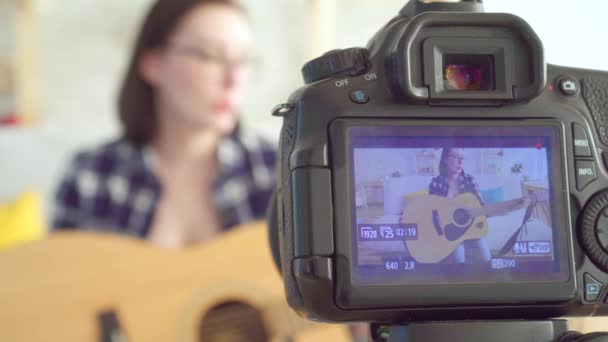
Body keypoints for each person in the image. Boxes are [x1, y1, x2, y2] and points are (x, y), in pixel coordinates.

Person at [52, 0, 276, 248]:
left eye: (242, 61)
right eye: (208, 56)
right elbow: (61, 279)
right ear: (153, 64)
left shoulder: (276, 170)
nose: (233, 80)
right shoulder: (91, 176)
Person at [428, 147, 491, 263]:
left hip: (471, 230)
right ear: (445, 159)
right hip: (449, 233)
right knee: (458, 261)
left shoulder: (469, 180)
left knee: (486, 259)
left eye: (462, 158)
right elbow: (430, 212)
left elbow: (483, 209)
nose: (460, 162)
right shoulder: (436, 183)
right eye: (456, 157)